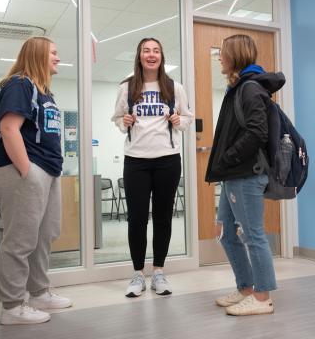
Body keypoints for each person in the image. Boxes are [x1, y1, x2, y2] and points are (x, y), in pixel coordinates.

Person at [0, 36, 72, 325]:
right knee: (20, 239)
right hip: (20, 170)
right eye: (54, 53)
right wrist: (28, 172)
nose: (58, 58)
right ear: (37, 55)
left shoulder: (43, 91)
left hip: (45, 170)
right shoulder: (20, 84)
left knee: (44, 234)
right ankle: (12, 307)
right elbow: (9, 128)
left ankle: (38, 293)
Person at [205, 34, 284, 316]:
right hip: (233, 174)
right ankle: (246, 289)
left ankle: (262, 298)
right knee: (227, 234)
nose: (219, 58)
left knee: (253, 236)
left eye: (223, 53)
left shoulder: (250, 89)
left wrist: (228, 158)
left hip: (246, 174)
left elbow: (257, 133)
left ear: (235, 55)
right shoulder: (238, 88)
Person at [112, 37, 193, 298]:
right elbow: (118, 120)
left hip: (168, 160)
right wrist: (124, 121)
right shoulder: (126, 87)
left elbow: (187, 119)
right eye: (146, 50)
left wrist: (179, 119)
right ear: (139, 56)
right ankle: (138, 274)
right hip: (135, 160)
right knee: (136, 218)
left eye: (156, 50)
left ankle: (158, 272)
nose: (151, 54)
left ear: (161, 56)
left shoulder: (174, 87)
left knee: (163, 217)